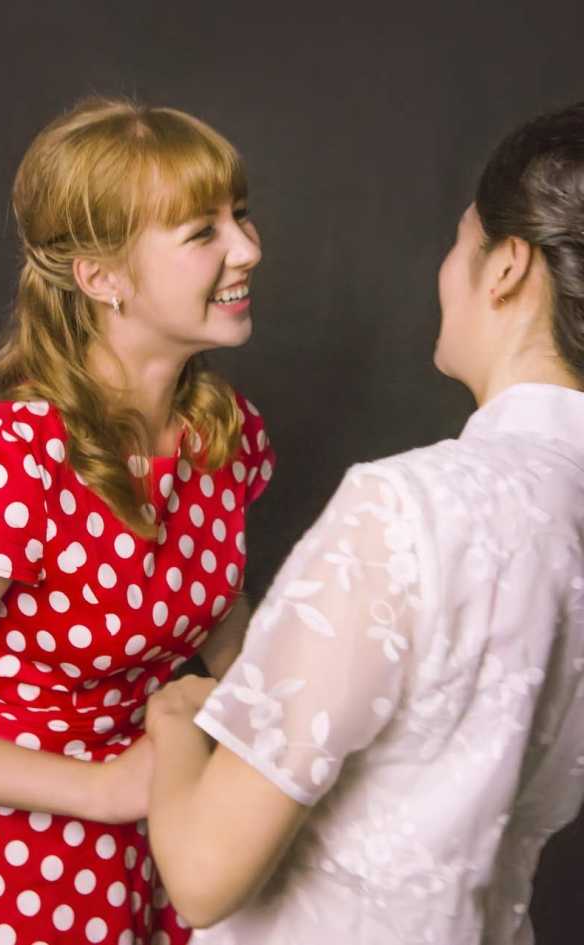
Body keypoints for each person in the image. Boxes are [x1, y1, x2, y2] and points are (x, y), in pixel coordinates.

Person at [144, 99, 584, 945]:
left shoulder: (410, 508)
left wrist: (172, 725)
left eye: (461, 240)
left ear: (506, 267)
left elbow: (202, 874)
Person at [0, 97, 273, 945]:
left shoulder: (224, 433)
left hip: (164, 833)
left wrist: (293, 721)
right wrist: (102, 789)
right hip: (10, 859)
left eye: (239, 215)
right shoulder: (20, 458)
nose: (247, 248)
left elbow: (215, 613)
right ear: (101, 278)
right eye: (202, 232)